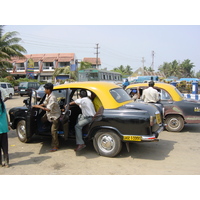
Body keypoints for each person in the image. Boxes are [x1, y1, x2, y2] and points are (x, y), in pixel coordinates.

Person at [33, 83, 61, 152]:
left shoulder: (52, 97)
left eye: (45, 89)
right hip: (49, 114)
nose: (44, 90)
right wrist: (38, 105)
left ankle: (55, 145)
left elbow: (48, 109)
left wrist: (39, 107)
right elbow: (45, 103)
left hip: (55, 115)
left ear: (49, 90)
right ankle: (45, 128)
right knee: (42, 119)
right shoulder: (48, 95)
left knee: (53, 131)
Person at [0, 90, 10, 167]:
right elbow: (6, 115)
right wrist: (8, 124)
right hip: (4, 128)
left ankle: (1, 163)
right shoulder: (2, 103)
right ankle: (6, 162)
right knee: (5, 146)